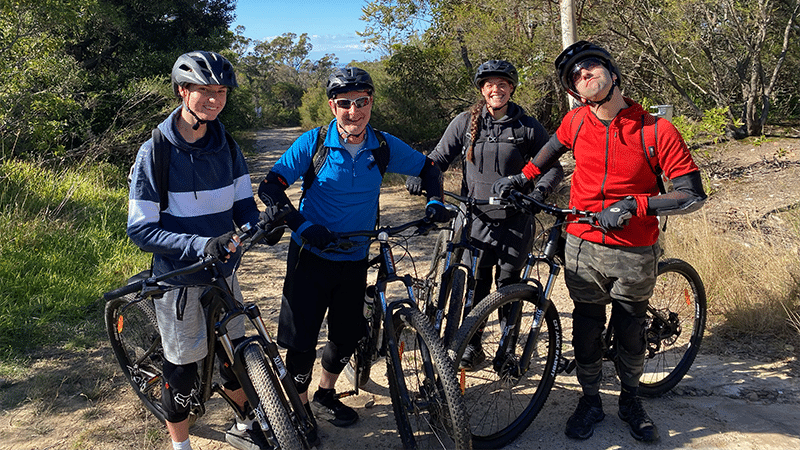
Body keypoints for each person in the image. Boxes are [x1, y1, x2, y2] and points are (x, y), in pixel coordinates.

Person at [493, 41, 706, 443]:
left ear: (611, 72)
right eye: (575, 75)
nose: (583, 75)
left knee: (629, 329)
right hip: (581, 240)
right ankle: (591, 400)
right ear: (573, 90)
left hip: (633, 247)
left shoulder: (655, 130)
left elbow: (690, 194)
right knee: (587, 327)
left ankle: (630, 400)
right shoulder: (575, 122)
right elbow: (549, 153)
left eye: (590, 66)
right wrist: (521, 178)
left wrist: (634, 204)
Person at [257, 67, 448, 442]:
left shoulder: (383, 146)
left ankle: (325, 393)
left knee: (346, 336)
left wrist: (435, 201)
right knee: (301, 343)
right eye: (344, 103)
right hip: (310, 255)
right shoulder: (314, 143)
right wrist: (301, 225)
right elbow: (270, 187)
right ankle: (300, 409)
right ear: (332, 106)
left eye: (361, 102)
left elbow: (429, 168)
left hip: (355, 256)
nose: (353, 111)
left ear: (371, 102)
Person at [127, 51, 272, 450]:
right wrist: (200, 244)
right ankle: (181, 445)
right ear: (181, 91)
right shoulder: (154, 153)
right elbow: (140, 229)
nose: (215, 99)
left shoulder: (227, 147)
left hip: (223, 273)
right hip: (180, 278)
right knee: (183, 371)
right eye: (204, 90)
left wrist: (261, 225)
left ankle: (245, 423)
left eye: (221, 91)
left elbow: (244, 207)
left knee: (235, 358)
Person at [405, 59, 563, 369]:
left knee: (509, 285)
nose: (496, 89)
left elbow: (553, 167)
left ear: (512, 88)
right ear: (482, 89)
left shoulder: (527, 126)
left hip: (515, 220)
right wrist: (420, 173)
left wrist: (537, 195)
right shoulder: (465, 123)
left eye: (502, 84)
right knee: (476, 284)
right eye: (489, 84)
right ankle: (471, 344)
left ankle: (506, 350)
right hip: (475, 218)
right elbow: (438, 157)